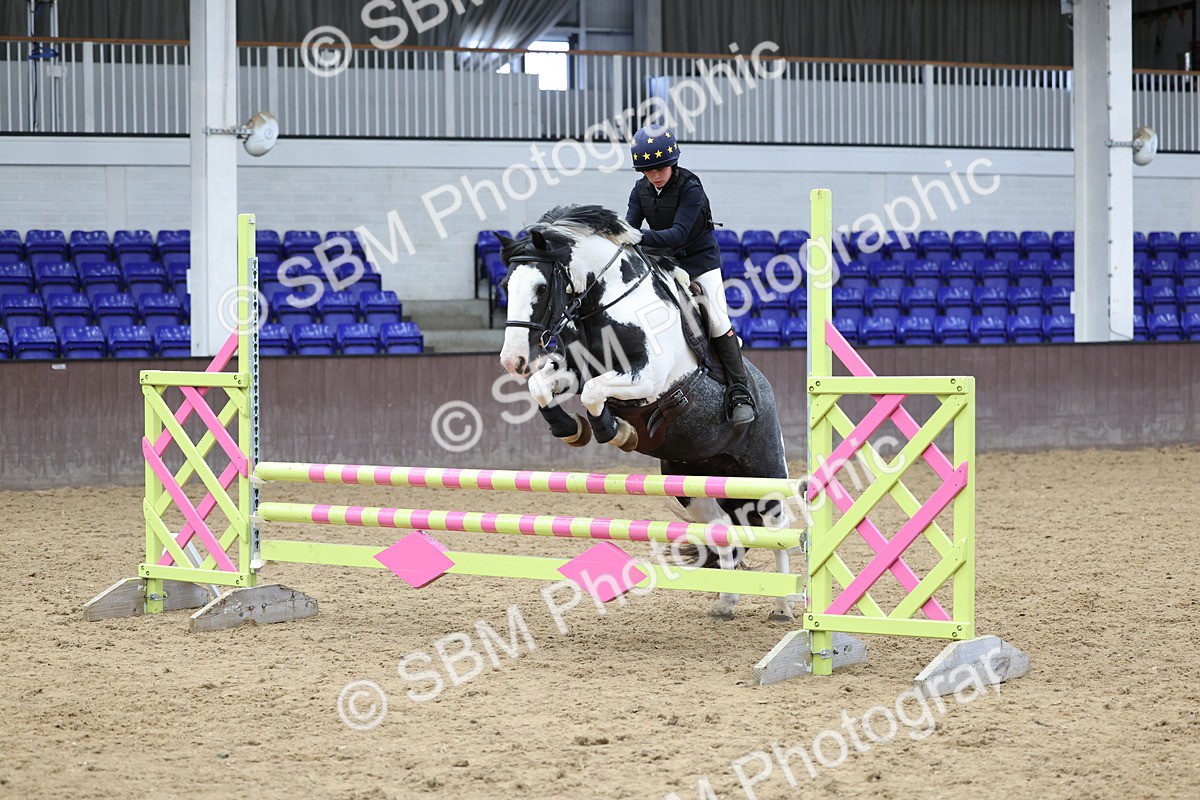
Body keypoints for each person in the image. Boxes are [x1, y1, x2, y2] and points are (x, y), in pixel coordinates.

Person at [624, 124, 756, 426]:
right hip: (664, 261)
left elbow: (678, 233)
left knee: (718, 320)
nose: (655, 175)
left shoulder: (691, 187)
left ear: (672, 162)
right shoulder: (639, 190)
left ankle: (740, 393)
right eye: (648, 170)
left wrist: (637, 237)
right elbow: (631, 227)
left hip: (699, 261)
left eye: (660, 168)